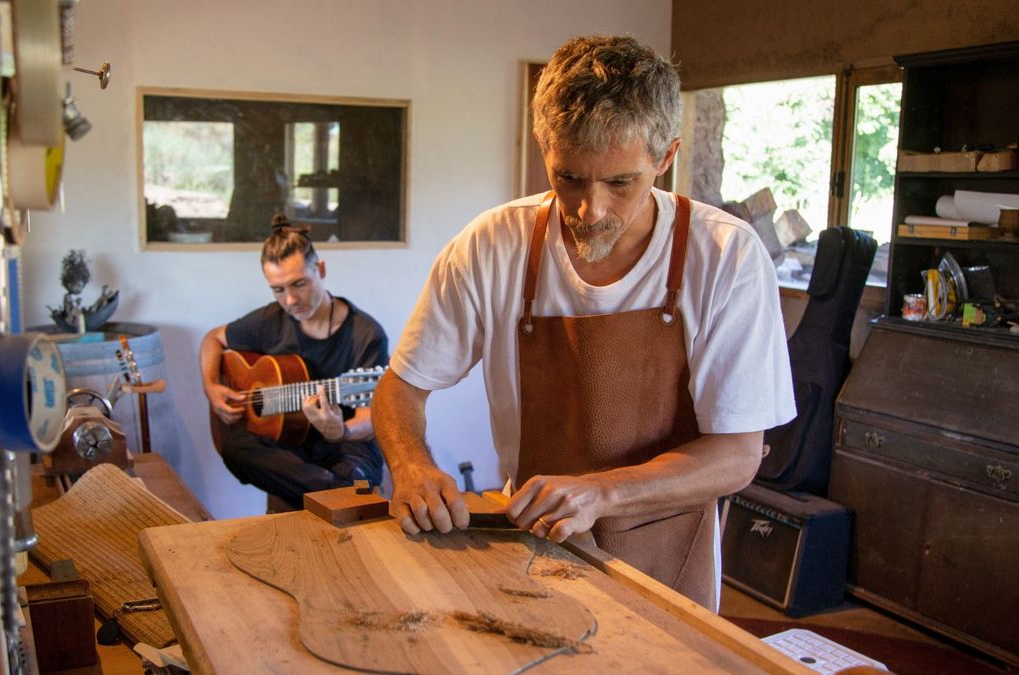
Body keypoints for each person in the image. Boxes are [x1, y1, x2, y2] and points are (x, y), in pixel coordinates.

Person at [372, 34, 794, 611]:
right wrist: (412, 465)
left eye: (620, 183)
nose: (588, 212)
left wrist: (601, 492)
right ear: (546, 146)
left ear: (665, 157)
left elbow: (738, 455)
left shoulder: (726, 256)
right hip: (535, 551)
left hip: (668, 562)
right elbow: (402, 385)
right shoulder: (493, 246)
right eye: (568, 177)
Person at [199, 215, 389, 509]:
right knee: (235, 448)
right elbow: (213, 338)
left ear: (321, 269)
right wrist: (211, 387)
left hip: (345, 446)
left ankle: (330, 489)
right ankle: (329, 492)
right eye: (278, 289)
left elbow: (372, 415)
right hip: (291, 448)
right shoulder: (269, 320)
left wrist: (341, 430)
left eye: (299, 284)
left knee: (352, 475)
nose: (289, 300)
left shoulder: (366, 334)